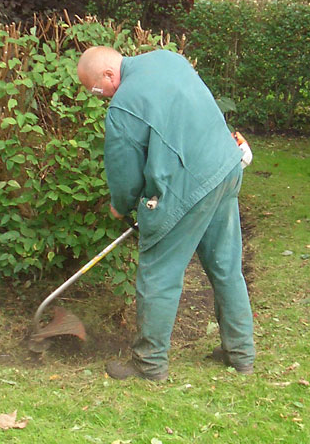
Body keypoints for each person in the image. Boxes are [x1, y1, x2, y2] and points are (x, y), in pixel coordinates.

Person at [76, 45, 255, 381]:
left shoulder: (123, 106)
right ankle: (241, 354)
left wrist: (121, 204)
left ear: (108, 75)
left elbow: (124, 171)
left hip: (188, 185)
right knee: (225, 267)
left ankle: (149, 364)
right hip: (226, 167)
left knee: (158, 276)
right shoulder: (168, 58)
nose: (99, 97)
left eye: (96, 90)